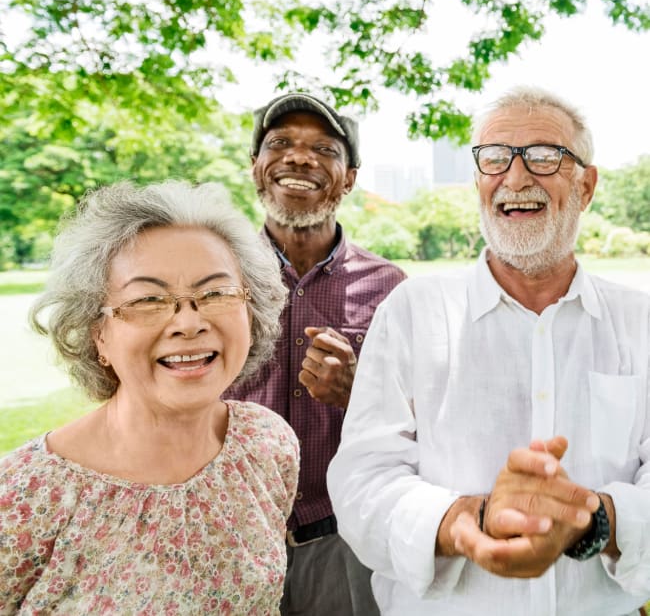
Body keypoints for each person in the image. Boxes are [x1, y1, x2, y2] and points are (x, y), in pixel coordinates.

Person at [328, 86, 650, 615]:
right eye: (495, 158)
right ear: (478, 181)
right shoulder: (413, 311)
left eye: (546, 157)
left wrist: (592, 520)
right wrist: (469, 521)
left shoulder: (638, 321)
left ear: (586, 186)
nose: (516, 177)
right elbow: (364, 482)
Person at [0, 180, 299, 614]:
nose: (188, 323)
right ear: (97, 334)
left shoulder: (266, 444)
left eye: (215, 293)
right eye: (148, 300)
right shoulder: (25, 494)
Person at [224, 92, 406, 615]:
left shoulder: (391, 286)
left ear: (349, 177)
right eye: (279, 143)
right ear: (255, 168)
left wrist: (359, 392)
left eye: (324, 149)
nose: (299, 158)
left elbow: (425, 423)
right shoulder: (214, 276)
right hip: (231, 533)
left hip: (344, 540)